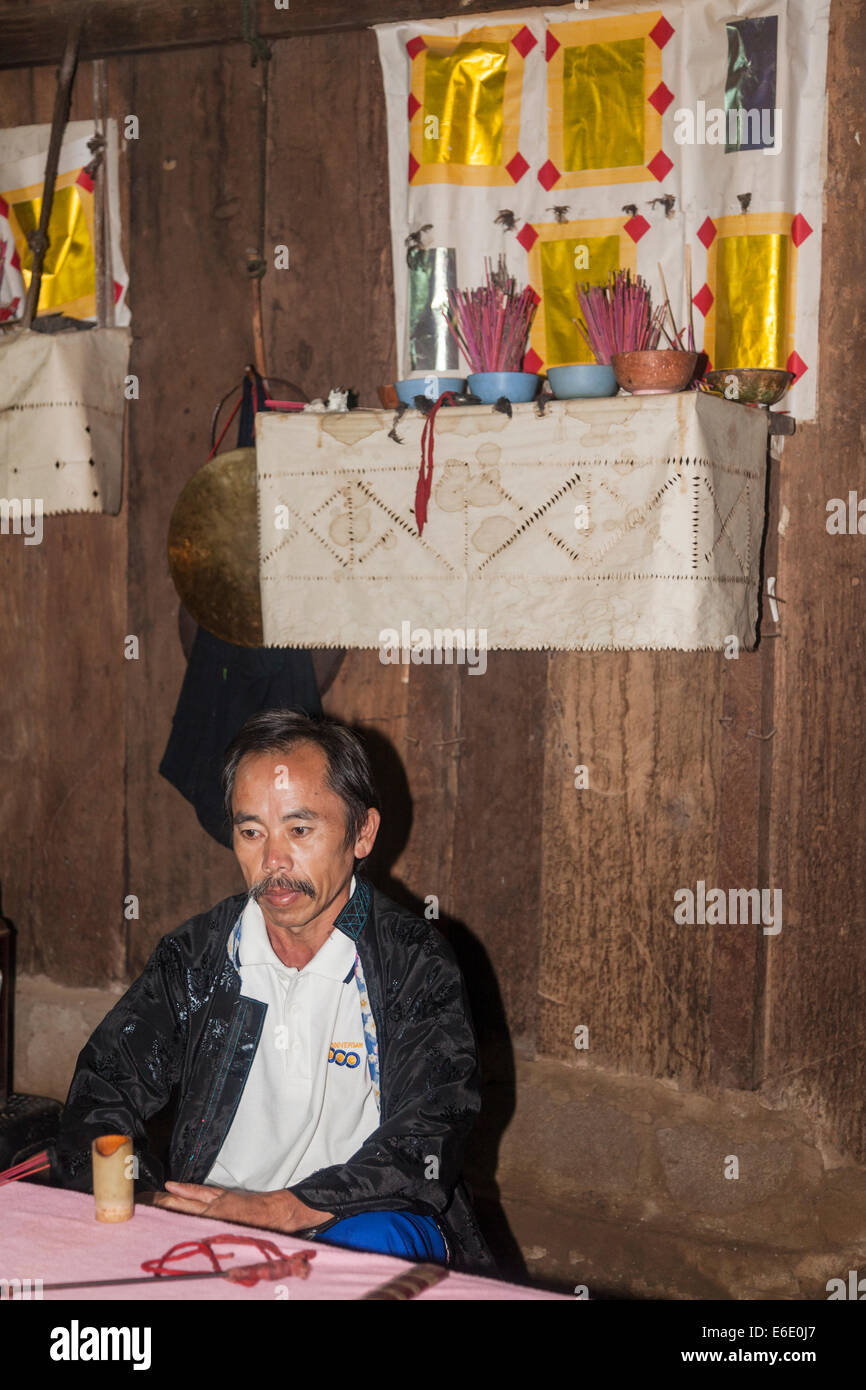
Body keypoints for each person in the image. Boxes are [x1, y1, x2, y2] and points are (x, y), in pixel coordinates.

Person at [51, 709, 493, 1273]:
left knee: (378, 1244)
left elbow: (429, 1134)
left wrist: (285, 1210)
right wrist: (150, 1201)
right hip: (214, 1210)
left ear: (363, 833)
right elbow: (105, 1085)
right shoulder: (201, 956)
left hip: (351, 1216)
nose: (273, 862)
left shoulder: (412, 963)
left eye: (300, 830)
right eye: (251, 831)